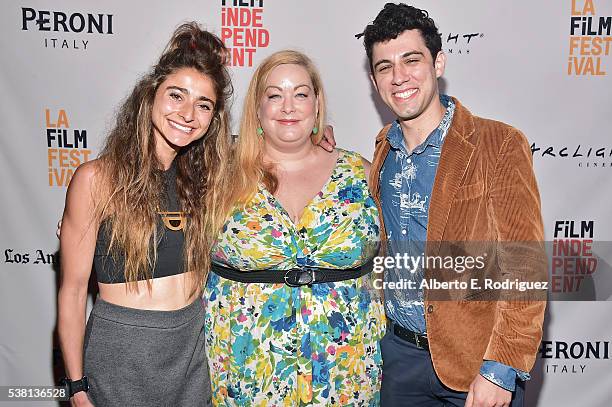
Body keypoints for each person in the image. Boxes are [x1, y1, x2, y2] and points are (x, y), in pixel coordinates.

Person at [357, 4, 547, 407]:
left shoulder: (498, 144)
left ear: (438, 62)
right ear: (374, 81)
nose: (399, 77)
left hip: (476, 365)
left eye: (412, 60)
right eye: (384, 67)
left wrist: (500, 369)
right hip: (399, 361)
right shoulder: (382, 150)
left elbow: (525, 267)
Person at [57, 22, 234, 406]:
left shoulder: (208, 180)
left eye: (203, 104)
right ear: (150, 95)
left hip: (189, 353)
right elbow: (72, 292)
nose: (188, 113)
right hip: (121, 356)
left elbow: (278, 149)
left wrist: (319, 131)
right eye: (177, 95)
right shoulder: (96, 180)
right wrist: (76, 386)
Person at [203, 50, 385, 406]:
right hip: (247, 371)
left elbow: (404, 248)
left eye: (301, 94)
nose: (289, 107)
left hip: (345, 370)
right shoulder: (218, 174)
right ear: (257, 108)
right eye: (275, 95)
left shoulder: (361, 174)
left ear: (317, 106)